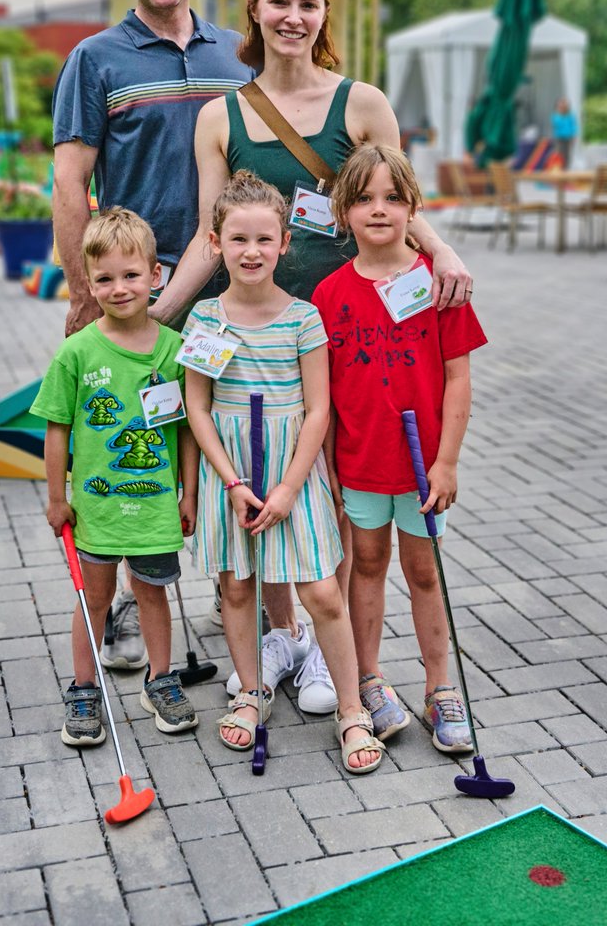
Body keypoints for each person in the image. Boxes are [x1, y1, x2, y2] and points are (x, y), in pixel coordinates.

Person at [153, 0, 473, 712]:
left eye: (307, 3)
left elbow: (399, 200)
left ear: (323, 13)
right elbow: (207, 234)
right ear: (255, 11)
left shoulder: (361, 103)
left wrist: (445, 252)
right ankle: (285, 633)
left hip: (348, 332)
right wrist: (151, 321)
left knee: (339, 496)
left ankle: (338, 655)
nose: (292, 17)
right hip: (256, 335)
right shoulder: (220, 117)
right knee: (266, 478)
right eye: (279, 2)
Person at [51, 0, 251, 664]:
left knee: (227, 448)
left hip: (231, 294)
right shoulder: (96, 59)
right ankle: (131, 613)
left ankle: (241, 610)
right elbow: (71, 185)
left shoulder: (240, 54)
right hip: (138, 297)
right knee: (132, 454)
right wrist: (82, 293)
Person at [183, 171, 385, 775]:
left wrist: (291, 485)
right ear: (216, 244)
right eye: (238, 239)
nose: (251, 252)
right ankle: (251, 690)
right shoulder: (204, 319)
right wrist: (233, 483)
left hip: (293, 473)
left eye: (264, 240)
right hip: (233, 476)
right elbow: (196, 405)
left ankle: (351, 708)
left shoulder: (303, 318)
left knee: (322, 590)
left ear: (284, 244)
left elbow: (320, 408)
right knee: (238, 587)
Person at [311, 144, 487, 752]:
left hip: (423, 468)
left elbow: (459, 377)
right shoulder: (328, 295)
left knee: (423, 572)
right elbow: (324, 394)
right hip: (361, 462)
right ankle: (368, 679)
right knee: (366, 565)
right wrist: (330, 463)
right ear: (342, 213)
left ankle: (441, 689)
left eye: (392, 197)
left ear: (414, 207)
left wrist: (448, 461)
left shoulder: (436, 284)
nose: (378, 210)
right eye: (362, 199)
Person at [33, 209, 200, 746]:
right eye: (104, 278)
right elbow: (58, 428)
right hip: (96, 509)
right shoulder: (77, 352)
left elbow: (190, 429)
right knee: (94, 600)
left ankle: (161, 680)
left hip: (155, 504)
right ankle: (84, 689)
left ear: (156, 276)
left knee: (153, 594)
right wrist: (56, 497)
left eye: (131, 275)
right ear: (87, 282)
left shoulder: (175, 351)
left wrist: (189, 492)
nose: (119, 288)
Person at [551, 97, 579, 169]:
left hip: (569, 137)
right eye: (560, 105)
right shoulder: (555, 116)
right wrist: (560, 113)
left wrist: (574, 136)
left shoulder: (571, 115)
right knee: (559, 153)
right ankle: (559, 167)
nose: (562, 106)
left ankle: (566, 168)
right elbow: (556, 124)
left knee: (567, 154)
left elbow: (574, 126)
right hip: (559, 137)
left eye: (564, 105)